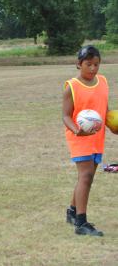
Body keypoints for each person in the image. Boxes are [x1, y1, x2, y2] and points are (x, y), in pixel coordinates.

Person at [62, 44, 118, 236]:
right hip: (79, 136)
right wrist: (77, 131)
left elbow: (105, 109)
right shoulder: (72, 86)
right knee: (86, 177)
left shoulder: (102, 81)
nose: (93, 68)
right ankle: (81, 224)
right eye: (88, 64)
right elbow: (66, 116)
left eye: (96, 64)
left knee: (86, 178)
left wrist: (113, 123)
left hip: (96, 136)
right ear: (79, 64)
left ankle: (71, 212)